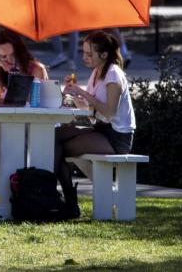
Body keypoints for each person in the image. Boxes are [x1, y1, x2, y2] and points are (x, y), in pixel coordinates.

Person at [55, 30, 137, 217]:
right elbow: (88, 110)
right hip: (101, 130)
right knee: (54, 137)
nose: (84, 57)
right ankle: (64, 198)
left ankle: (67, 200)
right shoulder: (96, 73)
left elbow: (109, 112)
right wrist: (74, 93)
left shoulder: (113, 75)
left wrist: (82, 93)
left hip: (117, 136)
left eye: (89, 54)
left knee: (60, 146)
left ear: (104, 55)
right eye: (83, 53)